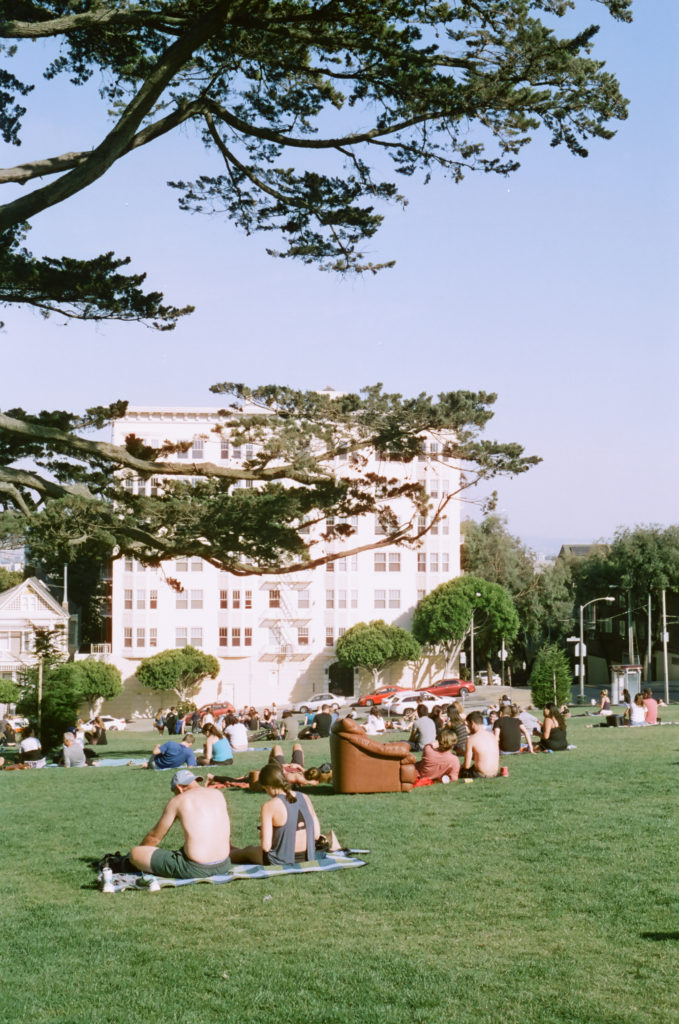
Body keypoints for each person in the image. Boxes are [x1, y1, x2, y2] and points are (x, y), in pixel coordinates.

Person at [129, 769, 232, 879]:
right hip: (224, 864)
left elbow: (154, 837)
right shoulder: (218, 794)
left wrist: (141, 854)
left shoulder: (178, 800)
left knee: (135, 853)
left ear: (179, 788)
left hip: (196, 868)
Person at [230, 761, 321, 866]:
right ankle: (231, 850)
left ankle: (226, 853)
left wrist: (264, 833)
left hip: (282, 859)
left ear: (268, 786)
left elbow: (266, 847)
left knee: (248, 851)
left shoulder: (269, 806)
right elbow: (316, 835)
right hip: (309, 857)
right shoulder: (305, 797)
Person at [461, 711, 499, 778]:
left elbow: (467, 766)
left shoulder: (471, 739)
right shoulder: (492, 736)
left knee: (460, 770)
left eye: (468, 725)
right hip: (494, 773)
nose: (467, 728)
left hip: (480, 774)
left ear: (472, 723)